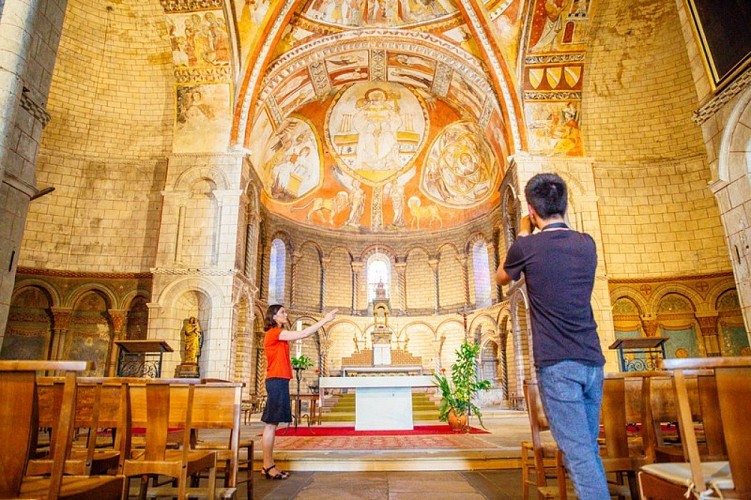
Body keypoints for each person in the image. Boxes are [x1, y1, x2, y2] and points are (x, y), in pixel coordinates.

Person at [495, 173, 607, 500]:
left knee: (579, 455)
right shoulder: (586, 244)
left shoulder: (527, 246)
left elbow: (503, 277)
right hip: (592, 362)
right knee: (587, 449)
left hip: (558, 365)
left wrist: (522, 232)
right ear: (565, 204)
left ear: (531, 210)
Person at [260, 304, 337, 480]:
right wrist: (325, 320)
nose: (286, 314)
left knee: (273, 423)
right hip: (276, 380)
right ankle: (267, 465)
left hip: (279, 380)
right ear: (273, 317)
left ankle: (269, 464)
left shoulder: (279, 334)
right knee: (271, 424)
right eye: (282, 312)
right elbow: (303, 333)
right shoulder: (274, 333)